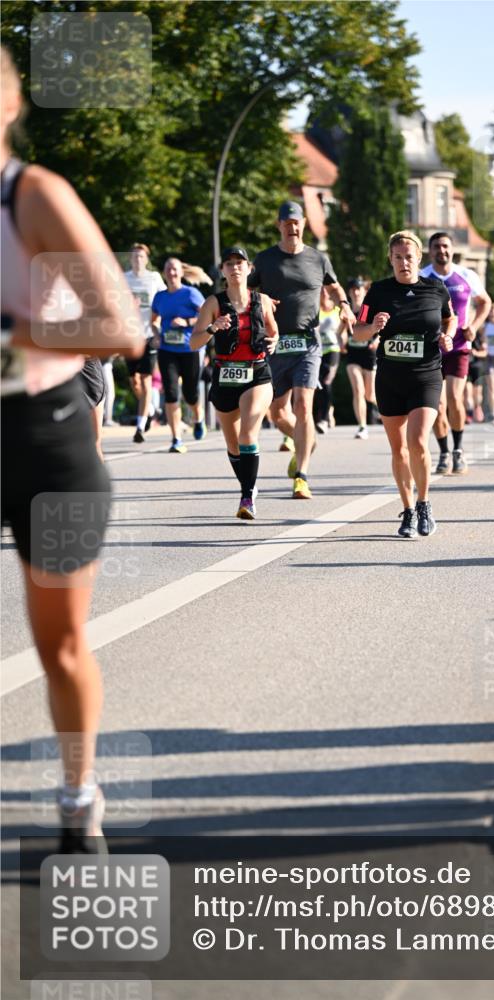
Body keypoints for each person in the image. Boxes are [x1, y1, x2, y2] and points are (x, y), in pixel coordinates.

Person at [0, 45, 143, 852]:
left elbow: (121, 328)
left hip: (46, 439)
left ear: (9, 107)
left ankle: (78, 792)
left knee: (58, 642)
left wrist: (14, 332)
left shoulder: (35, 196)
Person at [249, 201, 356, 499]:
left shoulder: (318, 259)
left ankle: (302, 475)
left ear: (304, 223)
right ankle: (303, 439)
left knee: (303, 406)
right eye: (286, 222)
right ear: (279, 225)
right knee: (277, 412)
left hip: (308, 342)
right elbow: (243, 290)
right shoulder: (266, 259)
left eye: (296, 222)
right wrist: (259, 301)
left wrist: (344, 306)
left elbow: (334, 288)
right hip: (275, 343)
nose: (292, 227)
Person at [352, 230, 455, 538]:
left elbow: (450, 318)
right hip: (390, 377)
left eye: (409, 257)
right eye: (398, 257)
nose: (404, 262)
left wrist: (448, 334)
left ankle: (424, 504)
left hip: (425, 375)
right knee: (399, 449)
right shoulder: (379, 291)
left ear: (418, 258)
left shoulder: (436, 289)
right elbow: (357, 332)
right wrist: (372, 327)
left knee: (418, 441)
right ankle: (408, 509)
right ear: (390, 259)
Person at [191, 247, 278, 519]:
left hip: (257, 373)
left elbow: (274, 332)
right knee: (233, 444)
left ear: (249, 268)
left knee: (247, 433)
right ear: (223, 271)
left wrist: (273, 343)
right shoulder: (213, 303)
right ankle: (247, 486)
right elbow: (194, 341)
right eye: (229, 264)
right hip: (225, 375)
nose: (235, 268)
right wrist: (212, 328)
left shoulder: (262, 301)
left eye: (240, 263)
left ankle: (247, 497)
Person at [420, 232, 491, 475]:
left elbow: (485, 302)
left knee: (454, 398)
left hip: (460, 345)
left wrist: (474, 325)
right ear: (430, 252)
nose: (442, 251)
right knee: (437, 405)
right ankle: (444, 452)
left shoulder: (466, 275)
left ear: (452, 249)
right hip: (431, 348)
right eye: (437, 247)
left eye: (446, 246)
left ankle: (458, 449)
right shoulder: (422, 277)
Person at [151, 256, 206, 453]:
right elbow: (154, 320)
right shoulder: (160, 297)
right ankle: (176, 439)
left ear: (181, 272)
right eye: (168, 269)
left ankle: (198, 418)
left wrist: (188, 322)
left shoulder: (191, 294)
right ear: (164, 273)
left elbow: (207, 317)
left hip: (190, 349)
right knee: (171, 394)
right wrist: (156, 336)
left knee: (190, 395)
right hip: (167, 350)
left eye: (174, 269)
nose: (171, 273)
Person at [124, 242, 165, 443]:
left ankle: (140, 427)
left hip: (149, 335)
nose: (137, 260)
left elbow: (164, 300)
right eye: (134, 256)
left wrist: (159, 323)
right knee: (134, 381)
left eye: (141, 256)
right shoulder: (124, 278)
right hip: (130, 336)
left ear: (147, 259)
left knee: (146, 380)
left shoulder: (154, 278)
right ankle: (147, 408)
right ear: (129, 259)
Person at [343, 276, 378, 439]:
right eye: (353, 290)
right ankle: (362, 426)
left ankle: (389, 409)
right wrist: (340, 342)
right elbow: (339, 331)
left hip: (369, 353)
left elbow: (382, 330)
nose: (356, 292)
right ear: (349, 293)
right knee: (358, 390)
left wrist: (377, 341)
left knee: (370, 395)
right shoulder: (347, 311)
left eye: (359, 289)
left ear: (364, 291)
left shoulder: (369, 308)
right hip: (353, 354)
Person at [314, 287, 342, 434]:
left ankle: (323, 420)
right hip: (317, 352)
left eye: (327, 291)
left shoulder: (337, 310)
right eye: (321, 290)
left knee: (326, 381)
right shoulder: (315, 310)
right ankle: (327, 410)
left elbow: (344, 327)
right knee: (317, 386)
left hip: (333, 351)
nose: (324, 293)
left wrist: (343, 340)